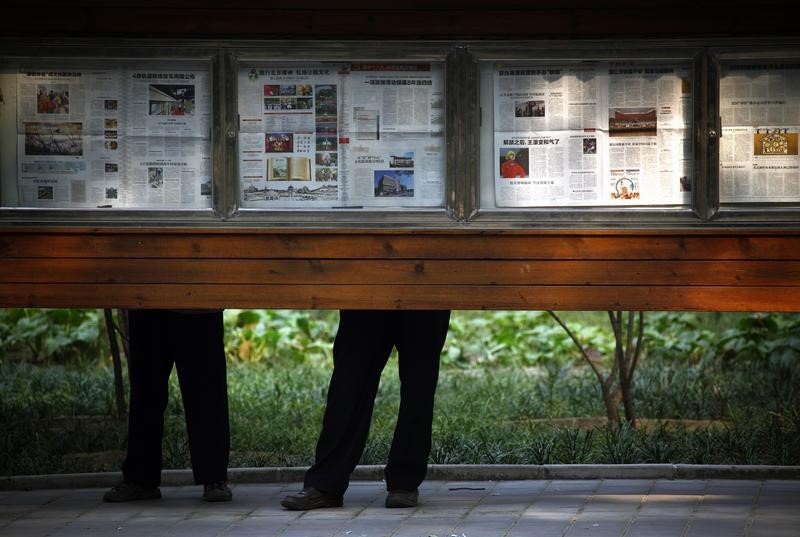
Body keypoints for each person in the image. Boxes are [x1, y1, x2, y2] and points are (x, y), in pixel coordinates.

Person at [281, 309, 451, 510]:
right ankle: (326, 484)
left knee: (418, 388)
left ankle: (404, 484)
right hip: (366, 289)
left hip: (427, 292)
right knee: (348, 383)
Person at [103, 309, 232, 503]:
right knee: (145, 394)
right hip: (148, 302)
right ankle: (140, 479)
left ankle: (214, 478)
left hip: (201, 303)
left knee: (206, 392)